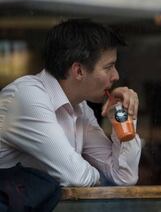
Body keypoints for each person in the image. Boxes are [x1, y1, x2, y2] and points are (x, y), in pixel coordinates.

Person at [0, 19, 141, 187]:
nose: (116, 76)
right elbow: (76, 177)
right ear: (78, 71)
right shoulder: (27, 96)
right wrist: (101, 179)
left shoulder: (80, 107)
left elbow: (124, 177)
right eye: (108, 67)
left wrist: (125, 117)